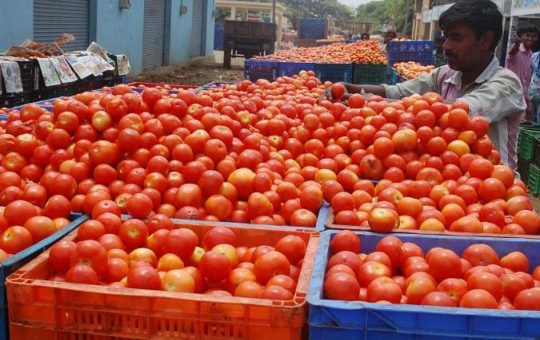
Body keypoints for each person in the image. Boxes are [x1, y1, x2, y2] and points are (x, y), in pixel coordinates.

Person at [322, 0, 526, 171]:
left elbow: (456, 115)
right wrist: (350, 87)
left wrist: (372, 102)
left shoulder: (506, 84)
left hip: (493, 187)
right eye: (446, 37)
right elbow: (399, 91)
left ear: (485, 40)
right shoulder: (446, 74)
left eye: (456, 38)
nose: (445, 46)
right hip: (450, 177)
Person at [506, 24, 539, 120]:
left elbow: (526, 80)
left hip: (522, 97)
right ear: (521, 36)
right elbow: (512, 52)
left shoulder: (531, 54)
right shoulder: (516, 50)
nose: (530, 38)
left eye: (533, 36)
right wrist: (516, 43)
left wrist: (528, 102)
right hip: (510, 94)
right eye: (527, 35)